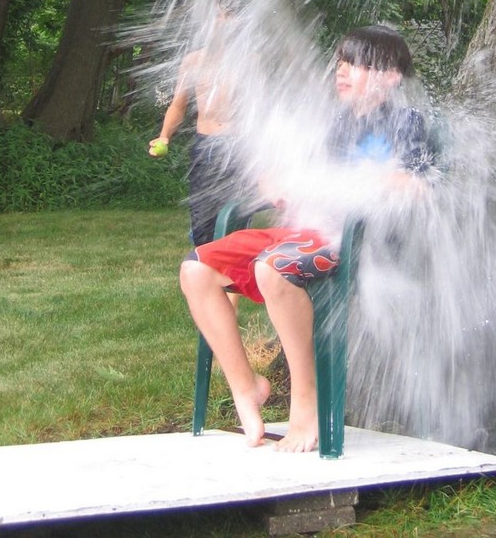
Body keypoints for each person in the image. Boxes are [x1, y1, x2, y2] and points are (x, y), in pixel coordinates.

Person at [178, 24, 431, 453]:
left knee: (272, 268)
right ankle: (247, 387)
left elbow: (416, 186)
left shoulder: (405, 123)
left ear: (391, 78)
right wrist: (276, 181)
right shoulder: (334, 123)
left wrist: (354, 182)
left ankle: (306, 400)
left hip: (356, 243)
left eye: (360, 64)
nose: (344, 71)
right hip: (305, 234)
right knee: (196, 270)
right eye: (342, 62)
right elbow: (292, 172)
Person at [150, 4, 248, 247]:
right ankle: (203, 264)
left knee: (237, 218)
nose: (219, 22)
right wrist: (164, 136)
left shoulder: (250, 61)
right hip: (206, 147)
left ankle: (232, 276)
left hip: (240, 148)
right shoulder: (193, 62)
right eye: (215, 16)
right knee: (203, 217)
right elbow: (177, 106)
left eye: (226, 16)